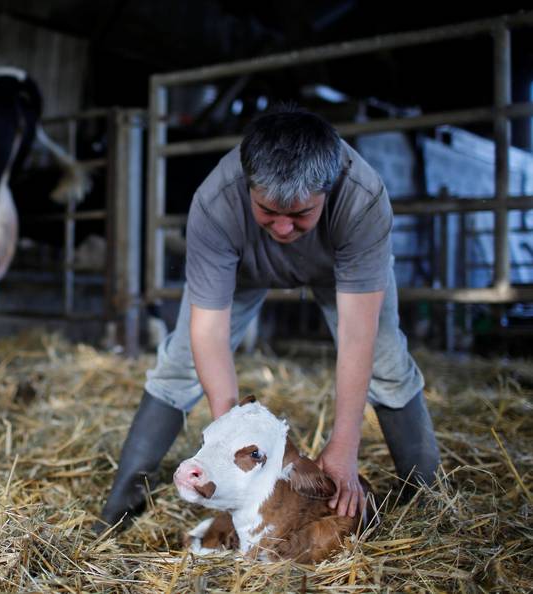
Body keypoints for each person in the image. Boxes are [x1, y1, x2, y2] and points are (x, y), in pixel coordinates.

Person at [96, 106, 440, 531]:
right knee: (179, 363)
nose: (281, 228)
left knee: (388, 362)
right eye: (267, 210)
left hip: (338, 267)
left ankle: (425, 502)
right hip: (243, 266)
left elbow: (357, 335)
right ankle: (119, 510)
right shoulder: (216, 201)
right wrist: (230, 440)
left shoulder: (362, 199)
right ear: (248, 185)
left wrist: (344, 445)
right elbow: (208, 332)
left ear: (328, 190)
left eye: (299, 214)